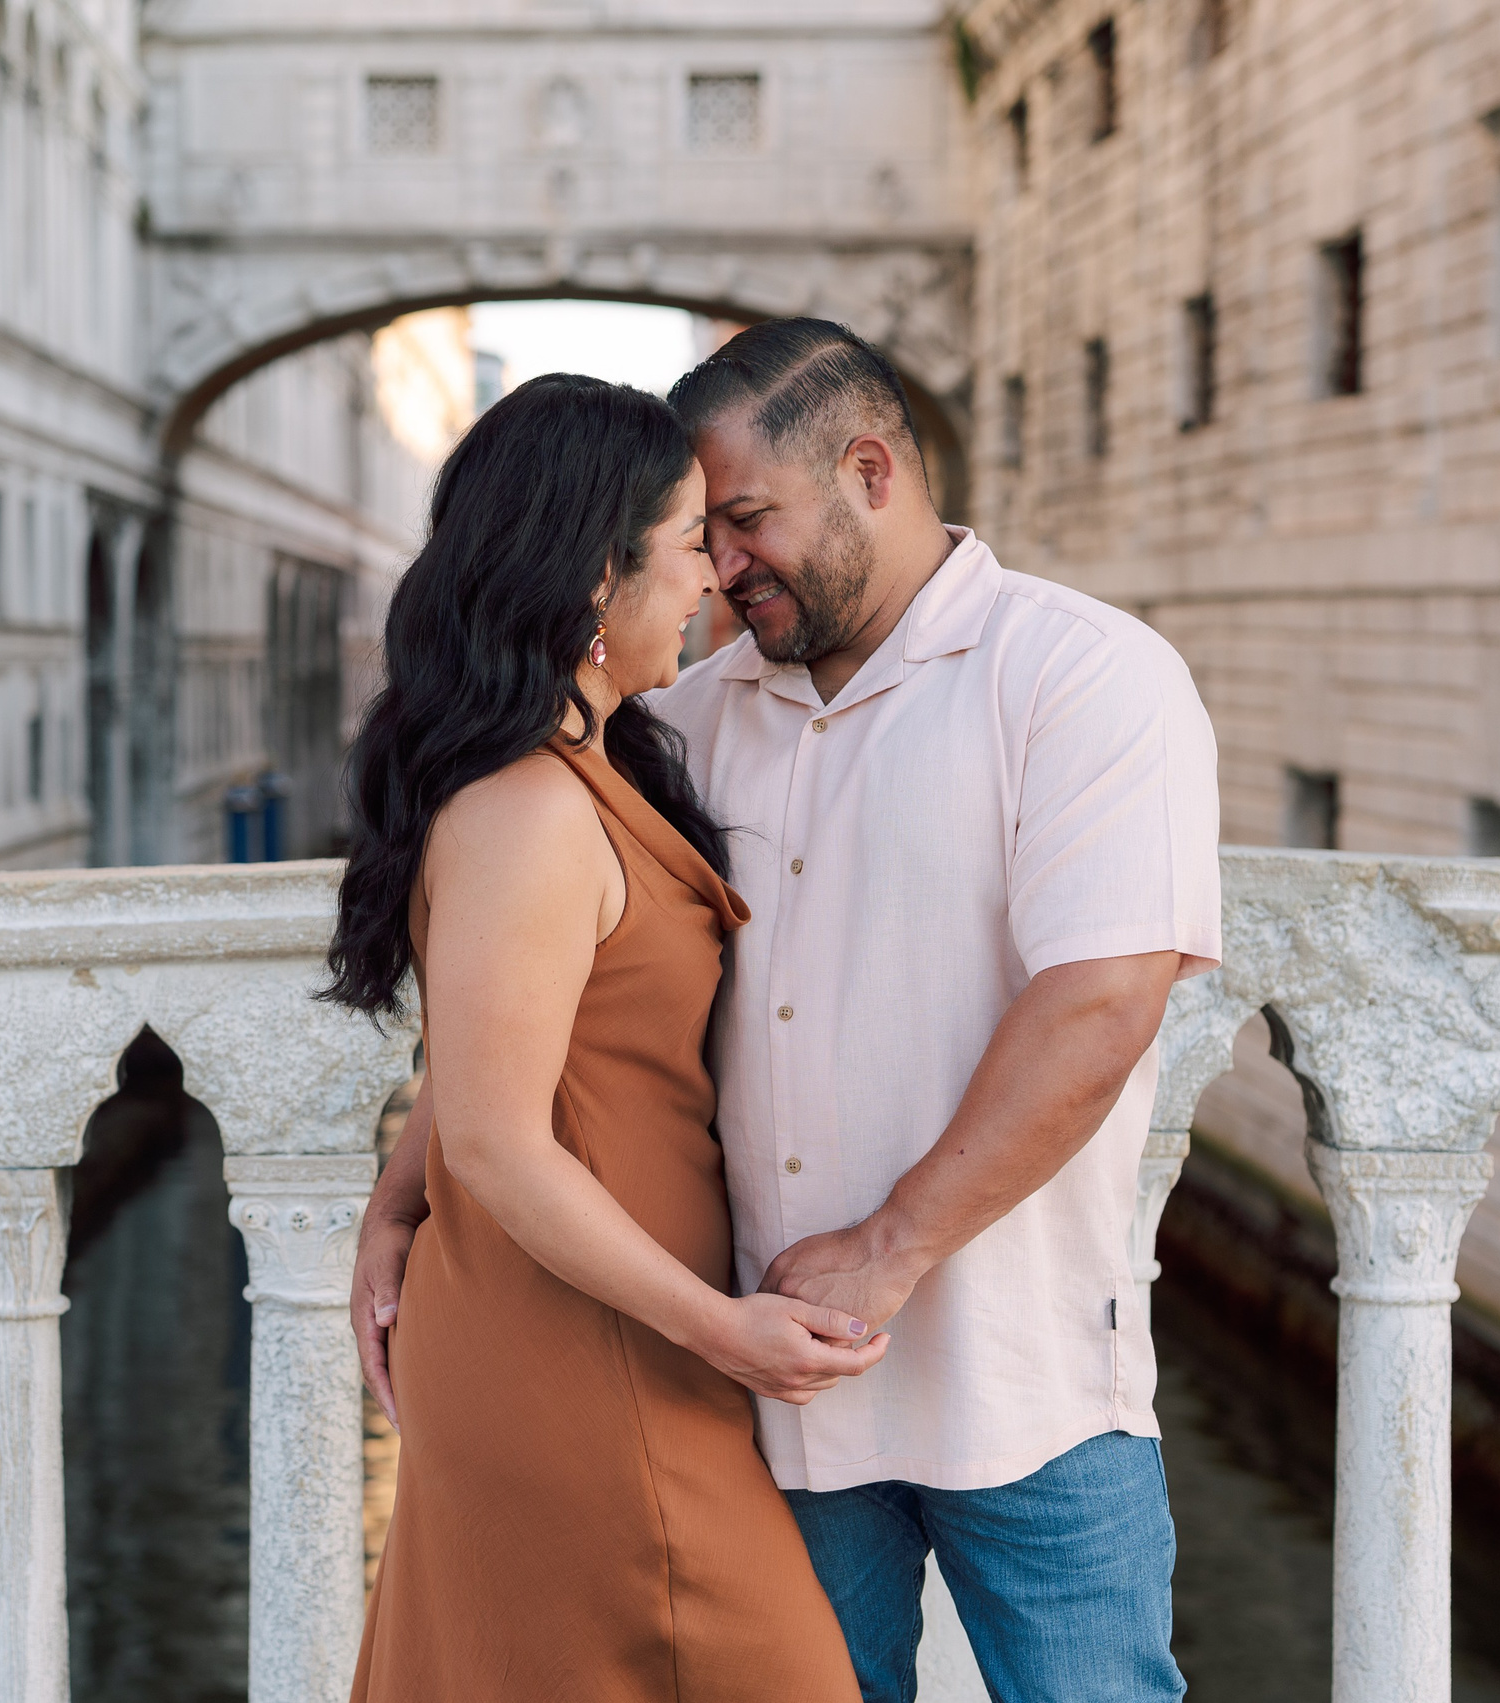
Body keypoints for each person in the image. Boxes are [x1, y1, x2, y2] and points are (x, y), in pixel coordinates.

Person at [352, 320, 1221, 1703]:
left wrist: (888, 1250)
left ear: (869, 471)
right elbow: (532, 1011)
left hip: (1023, 1371)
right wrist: (404, 1196)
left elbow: (1102, 1002)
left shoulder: (1081, 674)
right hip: (767, 1388)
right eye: (698, 533)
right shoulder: (682, 719)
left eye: (744, 520)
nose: (721, 565)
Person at [323, 373, 868, 1702]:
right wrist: (721, 1333)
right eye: (687, 541)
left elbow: (495, 1054)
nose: (711, 576)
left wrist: (392, 1208)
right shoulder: (530, 810)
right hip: (587, 1349)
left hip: (604, 1329)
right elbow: (502, 1142)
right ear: (590, 581)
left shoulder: (586, 772)